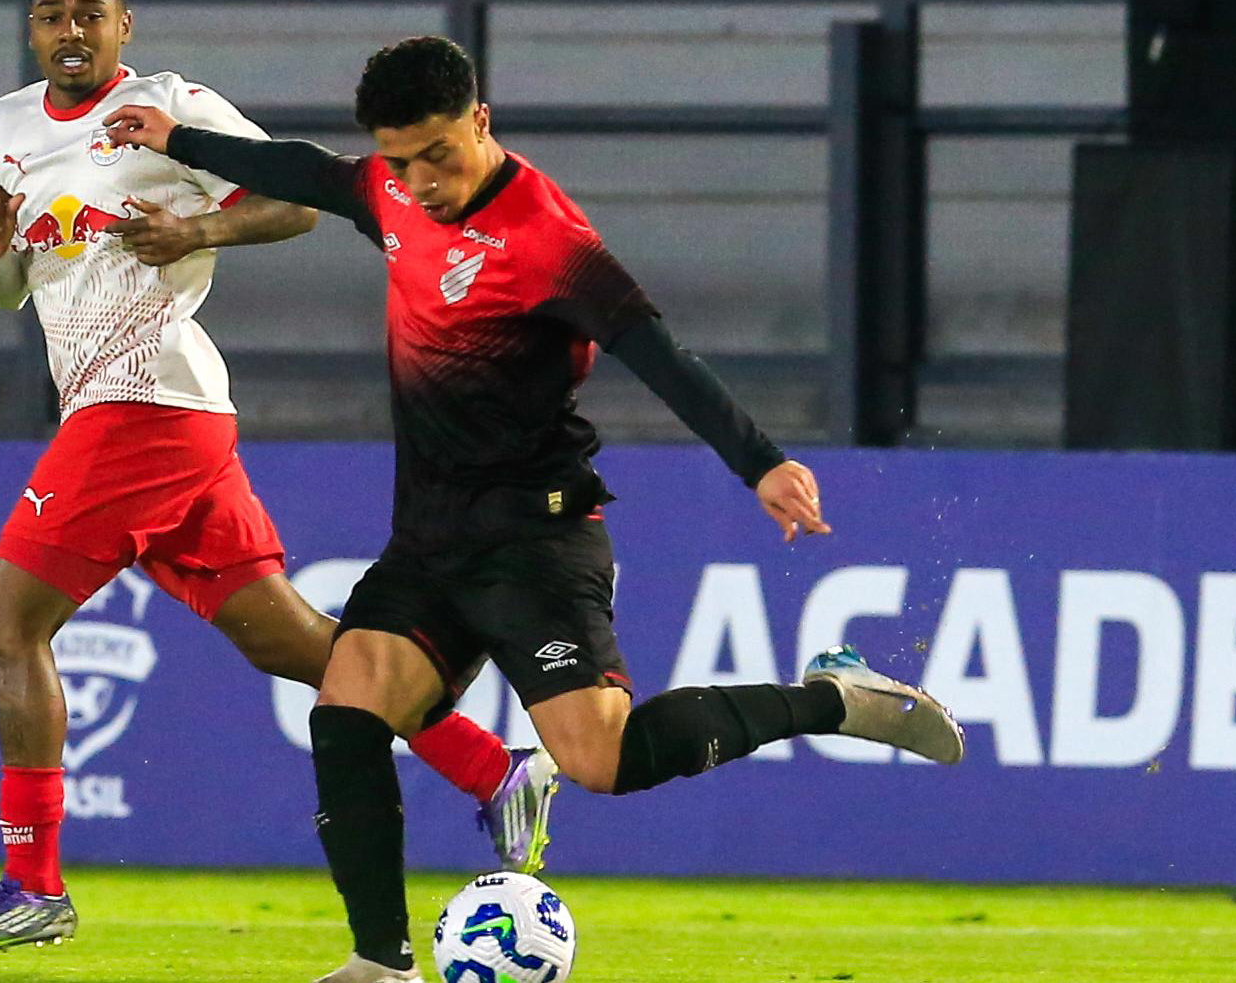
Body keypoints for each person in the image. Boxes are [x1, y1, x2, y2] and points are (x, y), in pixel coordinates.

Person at [104, 36, 963, 983]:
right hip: (428, 538)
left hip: (534, 539)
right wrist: (178, 139)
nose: (420, 182)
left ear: (480, 121)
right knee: (347, 707)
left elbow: (659, 356)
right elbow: (307, 172)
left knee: (602, 758)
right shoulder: (389, 190)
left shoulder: (546, 238)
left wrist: (759, 462)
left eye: (437, 154)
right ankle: (380, 962)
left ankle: (835, 697)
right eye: (400, 161)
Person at [0, 2, 556, 956]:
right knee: (291, 643)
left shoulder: (170, 105)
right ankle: (492, 769)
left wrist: (197, 232)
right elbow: (7, 289)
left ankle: (33, 883)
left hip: (144, 401)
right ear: (33, 28)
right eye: (51, 14)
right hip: (150, 414)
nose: (70, 31)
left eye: (89, 14)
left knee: (5, 626)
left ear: (122, 24)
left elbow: (297, 202)